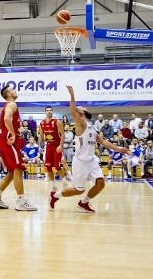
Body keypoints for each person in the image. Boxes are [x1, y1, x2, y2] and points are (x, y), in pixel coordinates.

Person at [49, 85, 129, 213]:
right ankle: (55, 195)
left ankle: (84, 202)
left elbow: (102, 141)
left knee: (101, 183)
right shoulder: (80, 123)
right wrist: (72, 95)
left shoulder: (91, 126)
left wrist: (118, 148)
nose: (83, 107)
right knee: (78, 190)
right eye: (81, 107)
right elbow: (73, 111)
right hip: (80, 162)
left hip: (91, 161)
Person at [0, 85, 37, 211]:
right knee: (18, 170)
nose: (16, 91)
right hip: (8, 140)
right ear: (9, 94)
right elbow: (6, 119)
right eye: (13, 89)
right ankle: (21, 201)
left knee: (11, 172)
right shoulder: (12, 104)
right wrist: (13, 134)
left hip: (5, 141)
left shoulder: (8, 105)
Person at [38, 106, 67, 186]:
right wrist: (39, 146)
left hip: (57, 146)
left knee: (57, 166)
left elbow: (63, 134)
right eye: (47, 110)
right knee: (48, 166)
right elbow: (41, 135)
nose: (49, 111)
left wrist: (60, 145)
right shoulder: (42, 123)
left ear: (52, 112)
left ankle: (64, 181)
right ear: (45, 112)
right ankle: (53, 184)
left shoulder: (57, 121)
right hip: (48, 146)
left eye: (50, 110)